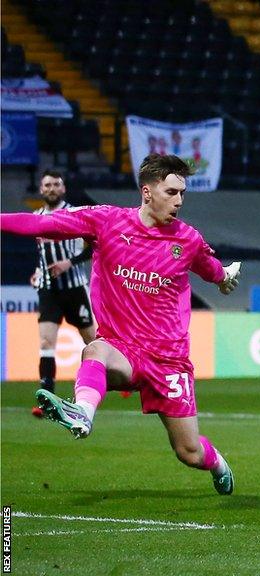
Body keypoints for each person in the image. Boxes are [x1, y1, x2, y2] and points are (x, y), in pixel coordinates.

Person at [0, 154, 243, 495]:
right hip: (124, 350)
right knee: (94, 349)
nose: (179, 201)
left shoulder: (186, 239)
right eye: (171, 192)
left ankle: (217, 462)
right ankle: (82, 413)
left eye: (182, 194)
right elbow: (42, 225)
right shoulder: (107, 222)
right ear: (147, 192)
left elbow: (211, 268)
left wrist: (224, 278)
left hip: (169, 360)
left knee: (188, 452)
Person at [28, 170, 98, 418]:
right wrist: (38, 271)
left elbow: (94, 246)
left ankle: (120, 378)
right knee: (46, 342)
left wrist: (70, 262)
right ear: (41, 189)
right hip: (48, 290)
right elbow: (42, 255)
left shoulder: (75, 214)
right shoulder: (36, 217)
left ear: (63, 188)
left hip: (74, 288)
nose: (51, 189)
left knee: (95, 342)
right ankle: (46, 396)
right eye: (47, 185)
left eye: (56, 184)